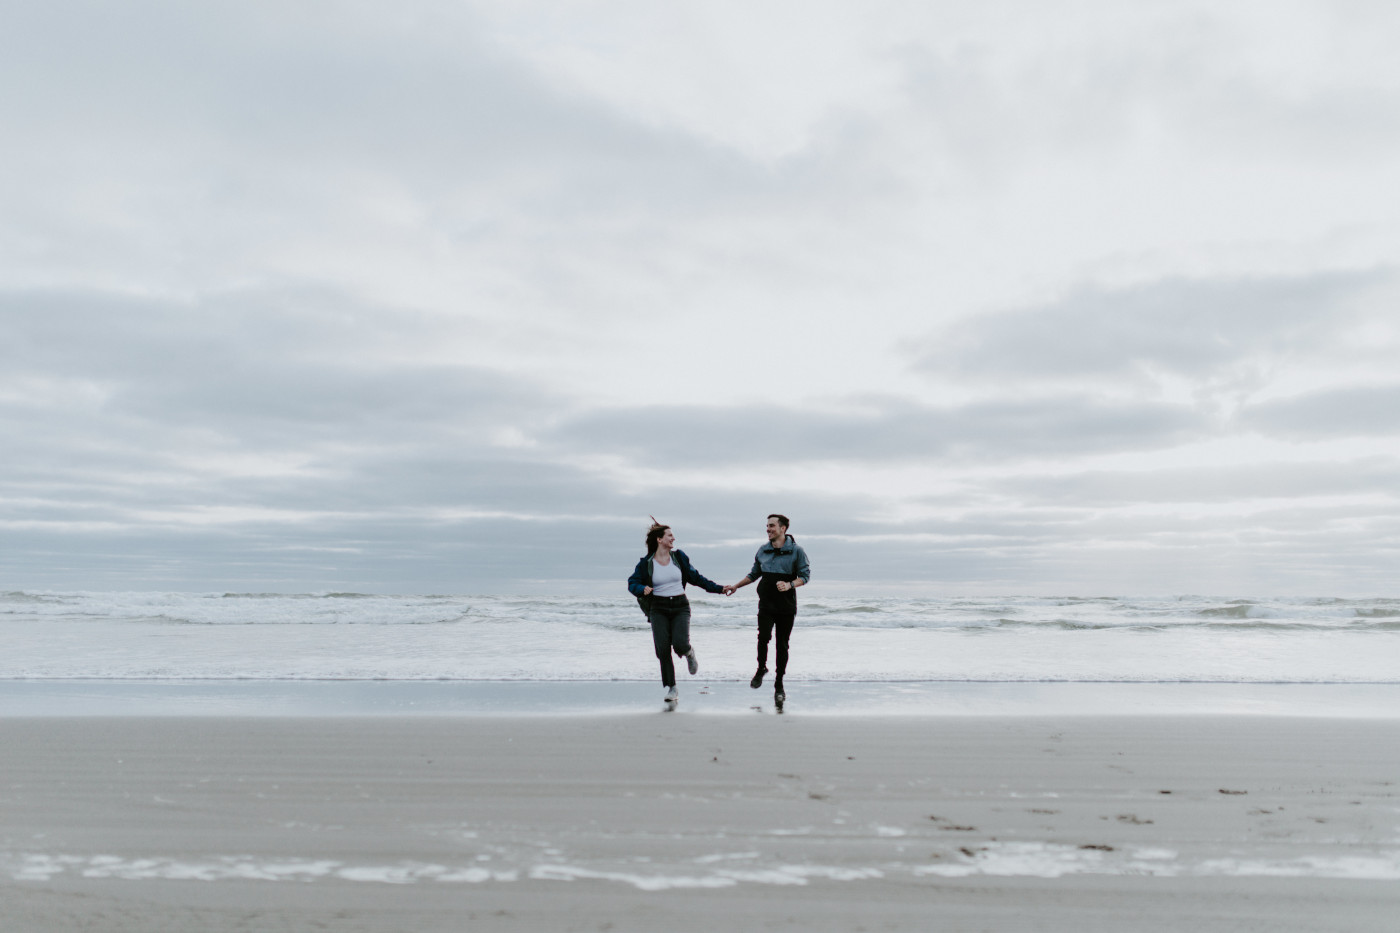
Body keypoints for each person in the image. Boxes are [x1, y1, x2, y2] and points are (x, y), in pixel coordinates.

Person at [627, 520, 726, 708]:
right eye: (669, 535)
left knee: (679, 644)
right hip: (658, 608)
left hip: (680, 606)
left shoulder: (678, 558)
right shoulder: (646, 563)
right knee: (662, 649)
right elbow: (632, 583)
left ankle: (689, 653)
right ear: (659, 539)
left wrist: (719, 589)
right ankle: (672, 688)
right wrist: (642, 588)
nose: (674, 538)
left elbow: (696, 578)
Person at [724, 514, 810, 703]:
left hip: (786, 605)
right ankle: (761, 668)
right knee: (763, 637)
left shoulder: (797, 551)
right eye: (767, 526)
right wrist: (736, 586)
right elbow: (754, 574)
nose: (768, 529)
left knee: (782, 644)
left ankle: (779, 683)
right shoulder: (763, 550)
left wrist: (789, 585)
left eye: (772, 526)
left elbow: (805, 576)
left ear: (783, 528)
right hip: (766, 603)